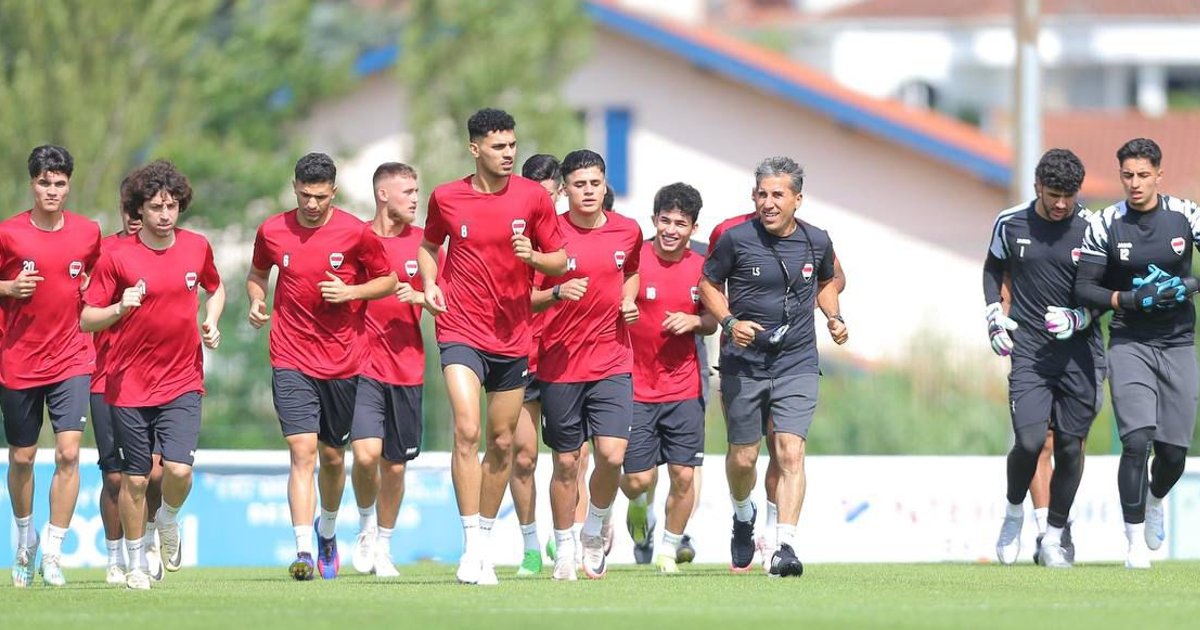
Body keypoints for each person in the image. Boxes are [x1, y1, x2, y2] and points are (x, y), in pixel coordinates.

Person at [417, 108, 566, 585]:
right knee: (466, 429)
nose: (509, 154)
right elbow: (428, 245)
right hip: (460, 327)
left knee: (502, 442)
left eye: (512, 145)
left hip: (512, 335)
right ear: (475, 148)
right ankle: (471, 547)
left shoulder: (532, 198)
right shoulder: (446, 197)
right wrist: (431, 282)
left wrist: (535, 256)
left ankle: (485, 536)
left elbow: (561, 260)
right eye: (499, 146)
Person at [247, 152, 398, 580]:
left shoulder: (355, 233)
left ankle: (327, 532)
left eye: (320, 197)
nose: (311, 204)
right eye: (304, 195)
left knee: (334, 458)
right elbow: (257, 274)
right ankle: (302, 552)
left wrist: (351, 293)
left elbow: (388, 280)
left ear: (333, 191)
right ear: (294, 186)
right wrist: (257, 301)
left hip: (344, 361)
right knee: (302, 452)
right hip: (291, 356)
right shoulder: (272, 230)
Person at [700, 156, 847, 578]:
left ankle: (785, 545)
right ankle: (743, 516)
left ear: (797, 199)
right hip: (743, 364)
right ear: (753, 196)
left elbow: (828, 280)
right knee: (744, 458)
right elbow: (707, 284)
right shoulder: (733, 238)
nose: (768, 202)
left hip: (797, 361)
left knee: (790, 451)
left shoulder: (817, 241)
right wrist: (729, 322)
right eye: (762, 194)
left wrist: (834, 318)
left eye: (778, 194)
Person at [81, 160, 224, 590]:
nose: (165, 214)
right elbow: (87, 318)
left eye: (173, 205)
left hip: (183, 380)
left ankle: (168, 519)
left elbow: (215, 288)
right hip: (128, 383)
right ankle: (137, 562)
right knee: (136, 479)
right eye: (157, 206)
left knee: (178, 471)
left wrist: (212, 321)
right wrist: (119, 308)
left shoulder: (197, 247)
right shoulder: (115, 254)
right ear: (138, 210)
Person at [1074, 137, 1200, 570]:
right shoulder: (1105, 222)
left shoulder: (1186, 215)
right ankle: (1132, 547)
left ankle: (1156, 500)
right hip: (1129, 342)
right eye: (1127, 175)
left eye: (1143, 175)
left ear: (1159, 175)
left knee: (1171, 455)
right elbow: (1084, 287)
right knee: (1136, 440)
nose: (1135, 183)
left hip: (1179, 342)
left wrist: (1187, 286)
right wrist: (1129, 300)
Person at [983, 149, 1102, 568]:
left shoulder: (1093, 228)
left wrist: (1082, 315)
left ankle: (1053, 537)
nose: (1061, 204)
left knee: (1071, 447)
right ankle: (1014, 513)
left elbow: (1107, 289)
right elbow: (992, 270)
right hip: (1030, 349)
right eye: (1053, 194)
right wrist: (994, 314)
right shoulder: (1010, 221)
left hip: (1081, 351)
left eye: (1069, 195)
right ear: (1038, 187)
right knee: (1031, 441)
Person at [534, 149, 641, 580]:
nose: (588, 191)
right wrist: (558, 294)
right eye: (579, 184)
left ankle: (594, 529)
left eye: (595, 183)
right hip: (559, 364)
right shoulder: (549, 236)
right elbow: (523, 296)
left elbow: (631, 270)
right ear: (564, 190)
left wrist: (629, 299)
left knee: (612, 456)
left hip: (613, 359)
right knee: (565, 463)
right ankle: (563, 548)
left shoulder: (628, 230)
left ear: (604, 184)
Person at [0, 145, 101, 587]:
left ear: (69, 185)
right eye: (45, 182)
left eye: (60, 183)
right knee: (22, 457)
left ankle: (55, 552)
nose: (52, 190)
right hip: (19, 357)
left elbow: (100, 281)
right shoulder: (7, 234)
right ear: (32, 184)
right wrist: (8, 285)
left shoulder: (89, 233)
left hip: (73, 357)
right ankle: (25, 540)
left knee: (68, 452)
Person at [620, 182, 716, 573]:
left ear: (693, 228)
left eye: (681, 223)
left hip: (684, 385)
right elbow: (614, 299)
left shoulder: (705, 265)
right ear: (653, 220)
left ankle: (668, 550)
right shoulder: (633, 257)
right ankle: (639, 510)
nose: (671, 229)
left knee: (683, 474)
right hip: (634, 384)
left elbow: (715, 319)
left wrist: (694, 321)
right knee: (638, 480)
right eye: (665, 220)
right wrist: (623, 307)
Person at [348, 163, 436, 578]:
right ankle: (366, 527)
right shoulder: (356, 239)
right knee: (365, 456)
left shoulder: (424, 244)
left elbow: (446, 298)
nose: (415, 198)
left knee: (395, 467)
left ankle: (384, 543)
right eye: (408, 191)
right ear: (383, 195)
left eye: (417, 191)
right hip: (361, 365)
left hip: (407, 367)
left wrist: (419, 296)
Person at [90, 183, 170, 585]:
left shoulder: (167, 249)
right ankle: (114, 557)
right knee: (116, 476)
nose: (138, 217)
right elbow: (85, 309)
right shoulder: (106, 252)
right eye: (131, 209)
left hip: (159, 382)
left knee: (155, 474)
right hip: (108, 377)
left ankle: (150, 535)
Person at [509, 153, 562, 576]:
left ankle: (566, 536)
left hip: (568, 359)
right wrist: (557, 294)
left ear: (559, 193)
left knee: (569, 459)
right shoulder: (512, 239)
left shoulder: (573, 235)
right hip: (521, 355)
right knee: (524, 457)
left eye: (547, 195)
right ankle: (529, 545)